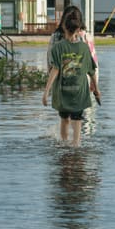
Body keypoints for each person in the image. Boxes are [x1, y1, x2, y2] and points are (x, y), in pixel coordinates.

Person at [42, 12, 100, 145]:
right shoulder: (84, 48)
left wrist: (46, 92)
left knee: (64, 119)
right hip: (79, 92)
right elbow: (92, 70)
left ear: (64, 27)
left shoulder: (58, 47)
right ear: (78, 30)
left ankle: (64, 146)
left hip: (63, 91)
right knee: (77, 119)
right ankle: (76, 145)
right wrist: (96, 89)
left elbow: (54, 70)